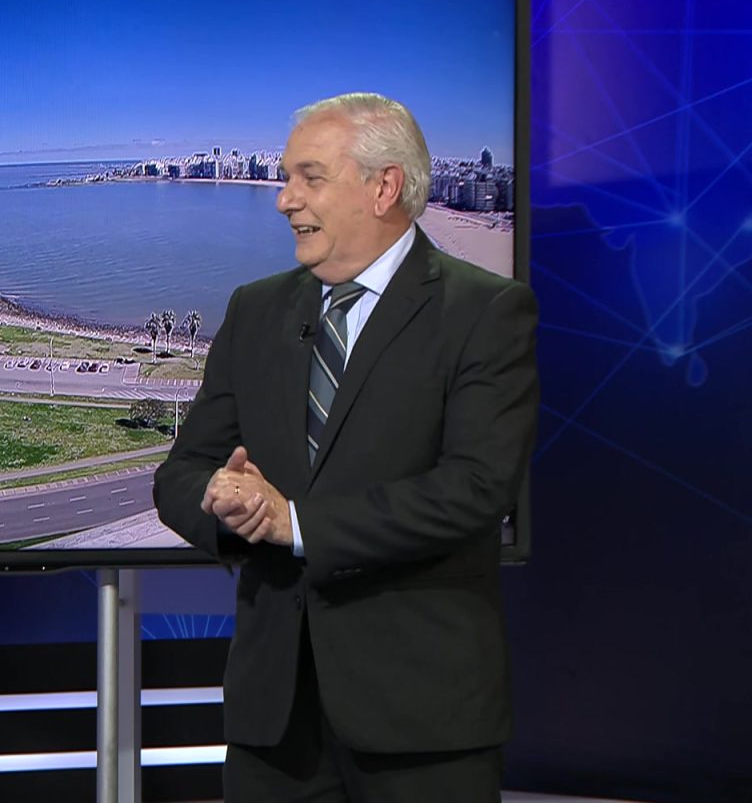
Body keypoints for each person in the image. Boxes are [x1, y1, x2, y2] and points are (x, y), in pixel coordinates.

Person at [153, 93, 539, 802]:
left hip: (422, 721)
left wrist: (295, 524)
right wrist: (220, 500)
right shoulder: (255, 310)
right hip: (274, 721)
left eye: (309, 177)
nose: (283, 200)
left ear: (383, 187)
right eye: (283, 178)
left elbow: (477, 489)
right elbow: (181, 472)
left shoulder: (483, 311)